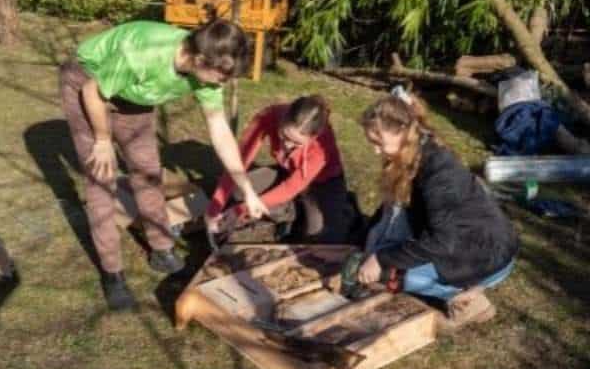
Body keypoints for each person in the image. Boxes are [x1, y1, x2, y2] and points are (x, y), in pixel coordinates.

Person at [60, 18, 268, 311]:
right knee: (101, 181)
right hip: (88, 83)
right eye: (220, 78)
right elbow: (92, 92)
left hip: (134, 94)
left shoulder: (206, 69)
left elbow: (220, 129)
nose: (222, 84)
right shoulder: (144, 53)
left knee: (148, 173)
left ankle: (161, 249)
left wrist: (246, 188)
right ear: (197, 58)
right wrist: (103, 139)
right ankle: (112, 273)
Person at [357, 89, 519, 332]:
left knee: (403, 277)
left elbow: (441, 242)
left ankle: (471, 301)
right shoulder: (414, 150)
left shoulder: (439, 175)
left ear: (402, 132)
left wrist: (381, 258)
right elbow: (394, 208)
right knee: (389, 262)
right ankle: (455, 284)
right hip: (461, 237)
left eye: (379, 143)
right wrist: (371, 246)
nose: (375, 151)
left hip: (489, 252)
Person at [205, 95, 355, 244]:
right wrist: (214, 208)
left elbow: (291, 188)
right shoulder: (269, 116)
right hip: (288, 172)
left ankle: (338, 210)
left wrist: (240, 210)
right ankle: (291, 209)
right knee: (236, 192)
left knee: (321, 240)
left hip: (324, 184)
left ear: (314, 137)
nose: (287, 145)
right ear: (283, 119)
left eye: (297, 143)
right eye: (284, 136)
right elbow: (237, 163)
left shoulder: (322, 146)